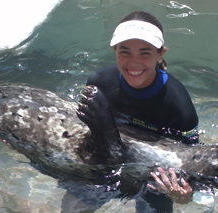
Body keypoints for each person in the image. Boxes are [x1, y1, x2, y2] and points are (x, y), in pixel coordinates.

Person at [85, 11, 200, 212]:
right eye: (125, 51)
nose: (134, 62)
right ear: (114, 49)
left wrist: (185, 194)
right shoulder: (100, 83)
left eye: (145, 52)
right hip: (106, 156)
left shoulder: (179, 106)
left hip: (153, 171)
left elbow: (191, 162)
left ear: (161, 53)